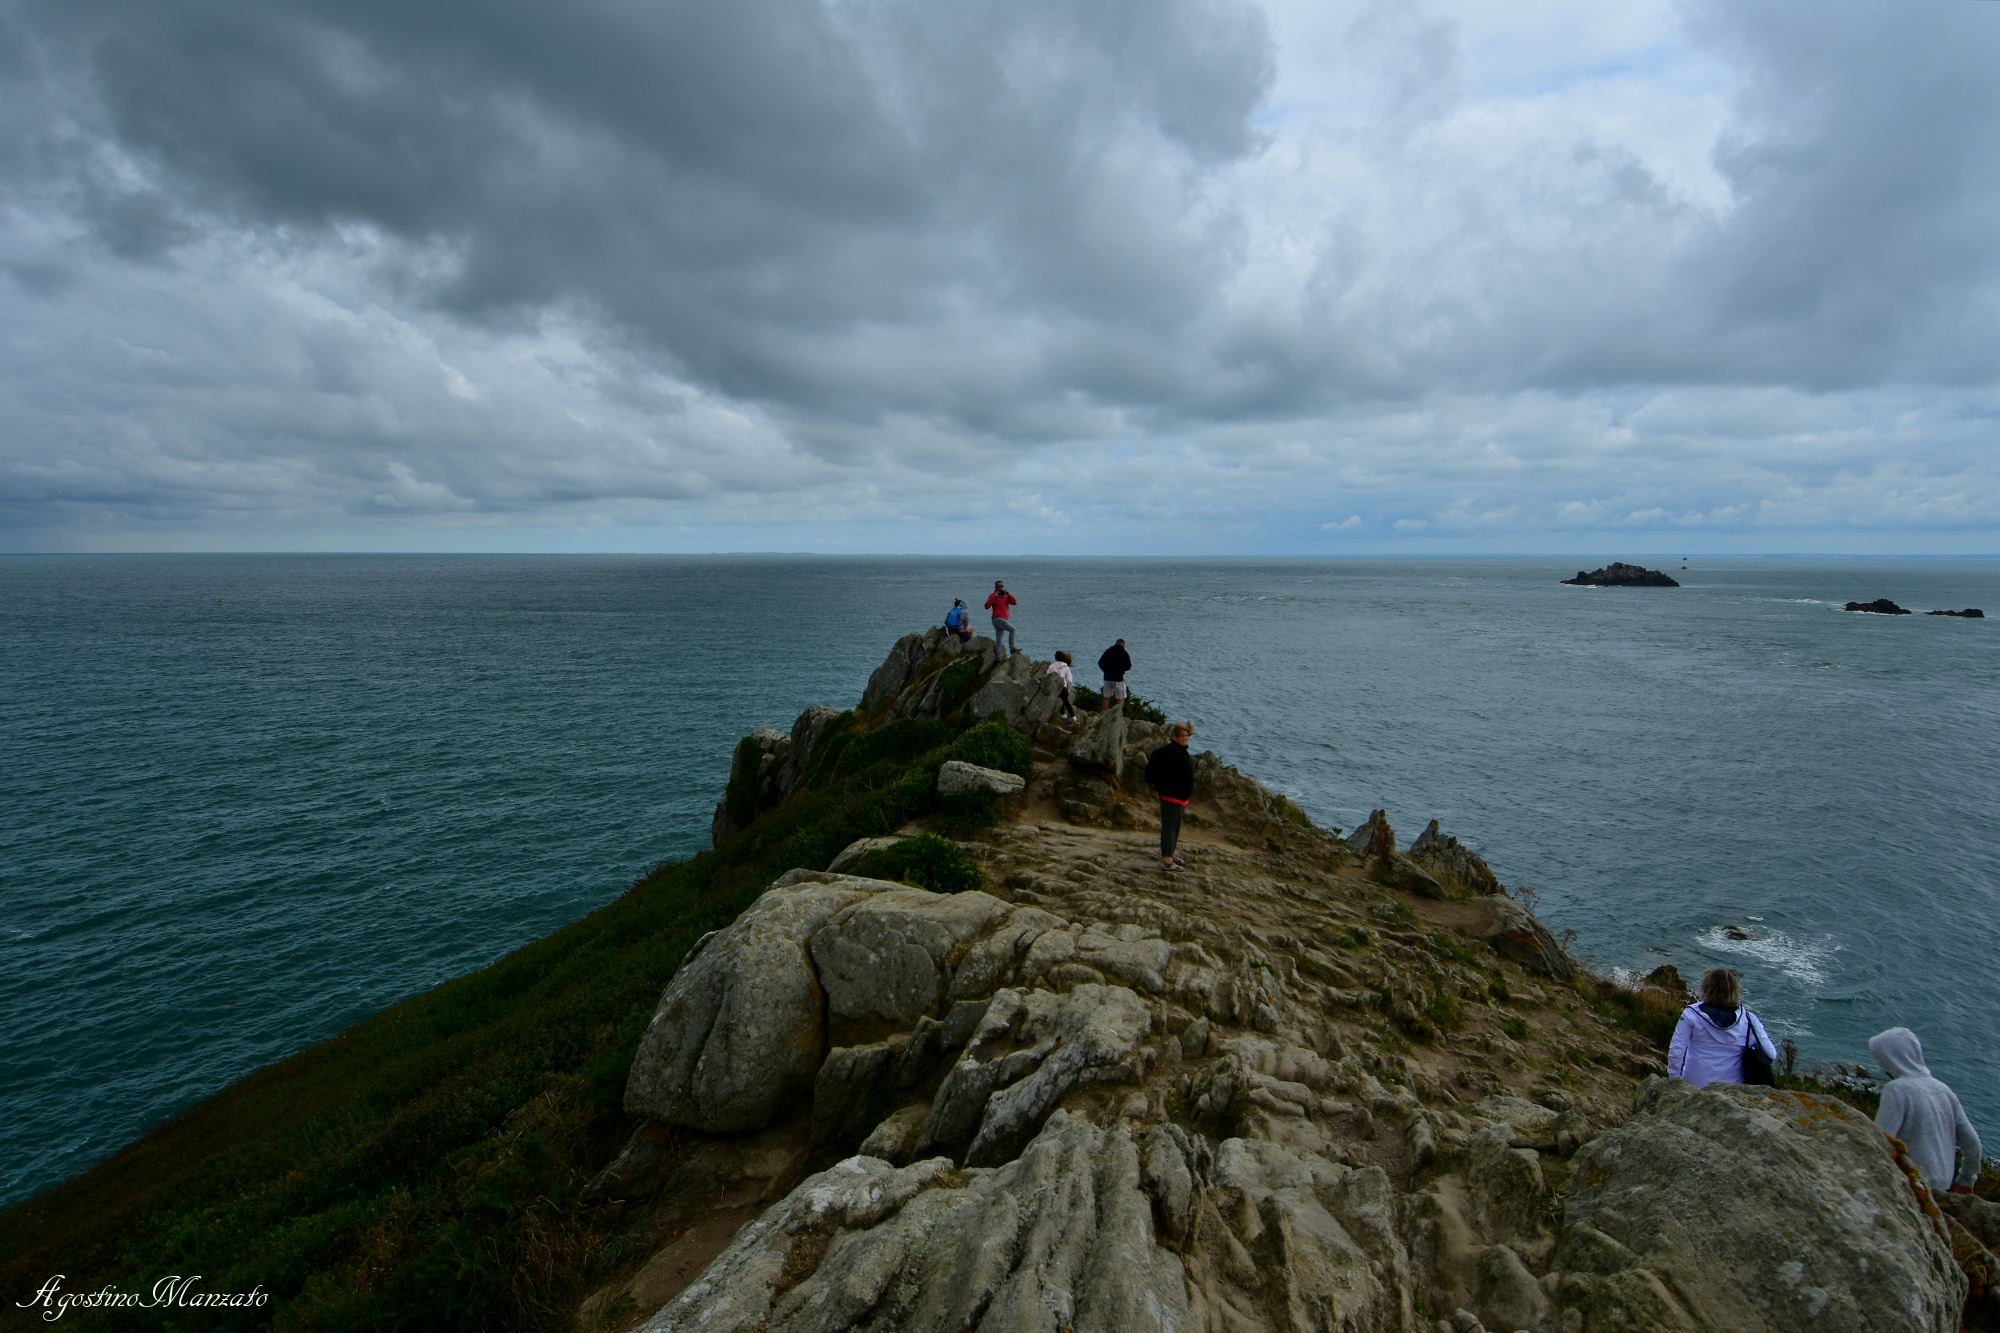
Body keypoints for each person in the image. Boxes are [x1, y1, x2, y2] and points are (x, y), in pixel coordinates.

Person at [1871, 1027, 1982, 1195]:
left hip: (1910, 1183)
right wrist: (1966, 1179)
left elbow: (1879, 1140)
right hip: (1943, 1185)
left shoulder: (1897, 1090)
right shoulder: (1944, 1090)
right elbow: (1973, 1144)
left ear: (1890, 1059)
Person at [1667, 968, 1777, 1088]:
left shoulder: (1691, 1013)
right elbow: (1771, 1054)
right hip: (1733, 1089)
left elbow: (1676, 1052)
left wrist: (1675, 1081)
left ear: (1706, 988)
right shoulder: (1749, 1019)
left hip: (1695, 1084)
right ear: (1734, 990)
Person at [1144, 722, 1195, 871]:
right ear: (1174, 737)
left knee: (1175, 827)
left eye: (1186, 735)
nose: (1184, 738)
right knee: (1170, 828)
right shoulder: (1171, 751)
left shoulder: (1179, 750)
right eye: (1181, 736)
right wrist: (1168, 786)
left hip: (1179, 798)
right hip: (1171, 796)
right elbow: (1163, 772)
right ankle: (1167, 861)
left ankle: (1171, 854)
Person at [984, 581, 1018, 663]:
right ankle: (1012, 648)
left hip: (1002, 619)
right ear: (995, 587)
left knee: (999, 640)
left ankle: (998, 658)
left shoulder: (1005, 596)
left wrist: (1009, 594)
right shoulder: (992, 596)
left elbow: (1014, 602)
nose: (1000, 588)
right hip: (997, 618)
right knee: (1012, 629)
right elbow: (986, 606)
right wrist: (994, 597)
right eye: (998, 586)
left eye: (1001, 586)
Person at [1097, 638, 1132, 712]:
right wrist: (1122, 670)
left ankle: (1103, 713)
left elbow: (1100, 662)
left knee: (1106, 697)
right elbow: (1129, 665)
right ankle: (1117, 714)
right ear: (1123, 644)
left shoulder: (1109, 651)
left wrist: (1105, 670)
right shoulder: (1124, 653)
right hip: (1118, 678)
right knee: (1121, 697)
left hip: (1107, 677)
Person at [1048, 651, 1078, 722]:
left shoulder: (1051, 667)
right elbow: (1069, 680)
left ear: (1055, 658)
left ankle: (1063, 714)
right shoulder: (1066, 667)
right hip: (1063, 687)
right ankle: (1073, 716)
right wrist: (1068, 690)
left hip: (1055, 687)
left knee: (1058, 701)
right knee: (1066, 702)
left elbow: (1048, 677)